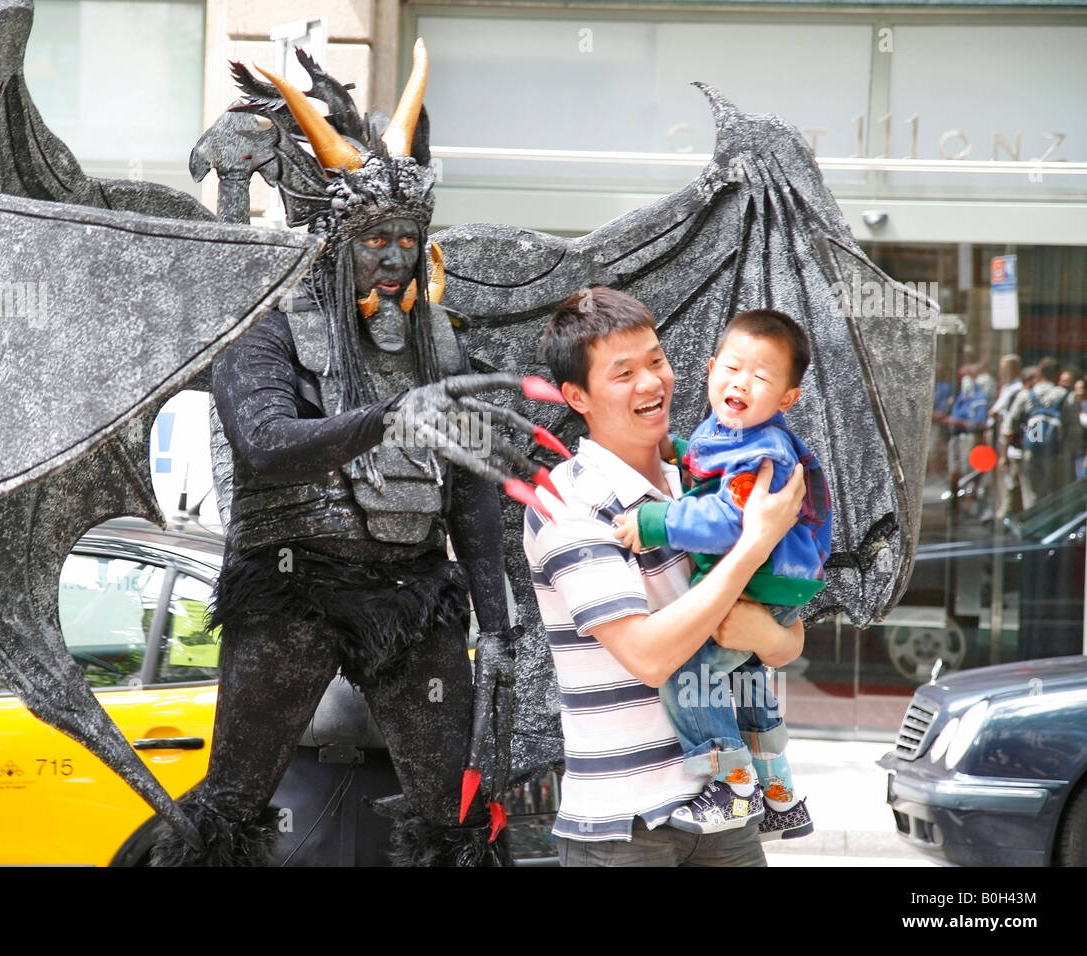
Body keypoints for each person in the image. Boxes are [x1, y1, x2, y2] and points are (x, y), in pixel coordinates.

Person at [152, 47, 523, 866]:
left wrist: (498, 630)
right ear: (331, 247)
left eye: (404, 239)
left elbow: (471, 497)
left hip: (412, 597)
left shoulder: (440, 348)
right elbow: (266, 445)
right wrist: (387, 417)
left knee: (455, 817)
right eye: (372, 241)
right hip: (292, 589)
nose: (391, 260)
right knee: (232, 802)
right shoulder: (267, 334)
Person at [524, 287, 806, 866]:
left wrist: (759, 631)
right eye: (623, 372)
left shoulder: (706, 483)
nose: (652, 383)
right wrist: (752, 545)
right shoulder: (566, 501)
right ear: (576, 395)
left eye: (656, 361)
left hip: (727, 811)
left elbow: (786, 644)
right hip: (627, 826)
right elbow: (649, 657)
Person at [612, 308, 828, 838]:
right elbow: (713, 474)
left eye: (761, 377)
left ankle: (732, 789)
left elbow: (728, 517)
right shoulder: (733, 431)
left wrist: (654, 521)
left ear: (786, 399)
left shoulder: (766, 450)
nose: (741, 383)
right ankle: (780, 794)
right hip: (775, 580)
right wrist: (680, 452)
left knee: (690, 675)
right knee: (746, 676)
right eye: (732, 368)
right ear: (710, 369)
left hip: (768, 578)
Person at [1004, 357, 1080, 508]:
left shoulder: (1026, 395)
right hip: (1059, 454)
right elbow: (1074, 431)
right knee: (1058, 499)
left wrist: (1007, 454)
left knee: (1032, 499)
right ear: (1058, 375)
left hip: (1032, 452)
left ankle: (1034, 529)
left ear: (1039, 373)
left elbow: (1008, 428)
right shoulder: (1067, 397)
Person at [987, 354, 1025, 519]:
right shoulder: (1006, 388)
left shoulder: (1017, 390)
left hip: (1009, 444)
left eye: (1006, 369)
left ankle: (1006, 515)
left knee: (1009, 482)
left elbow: (1006, 420)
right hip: (1001, 441)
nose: (1002, 372)